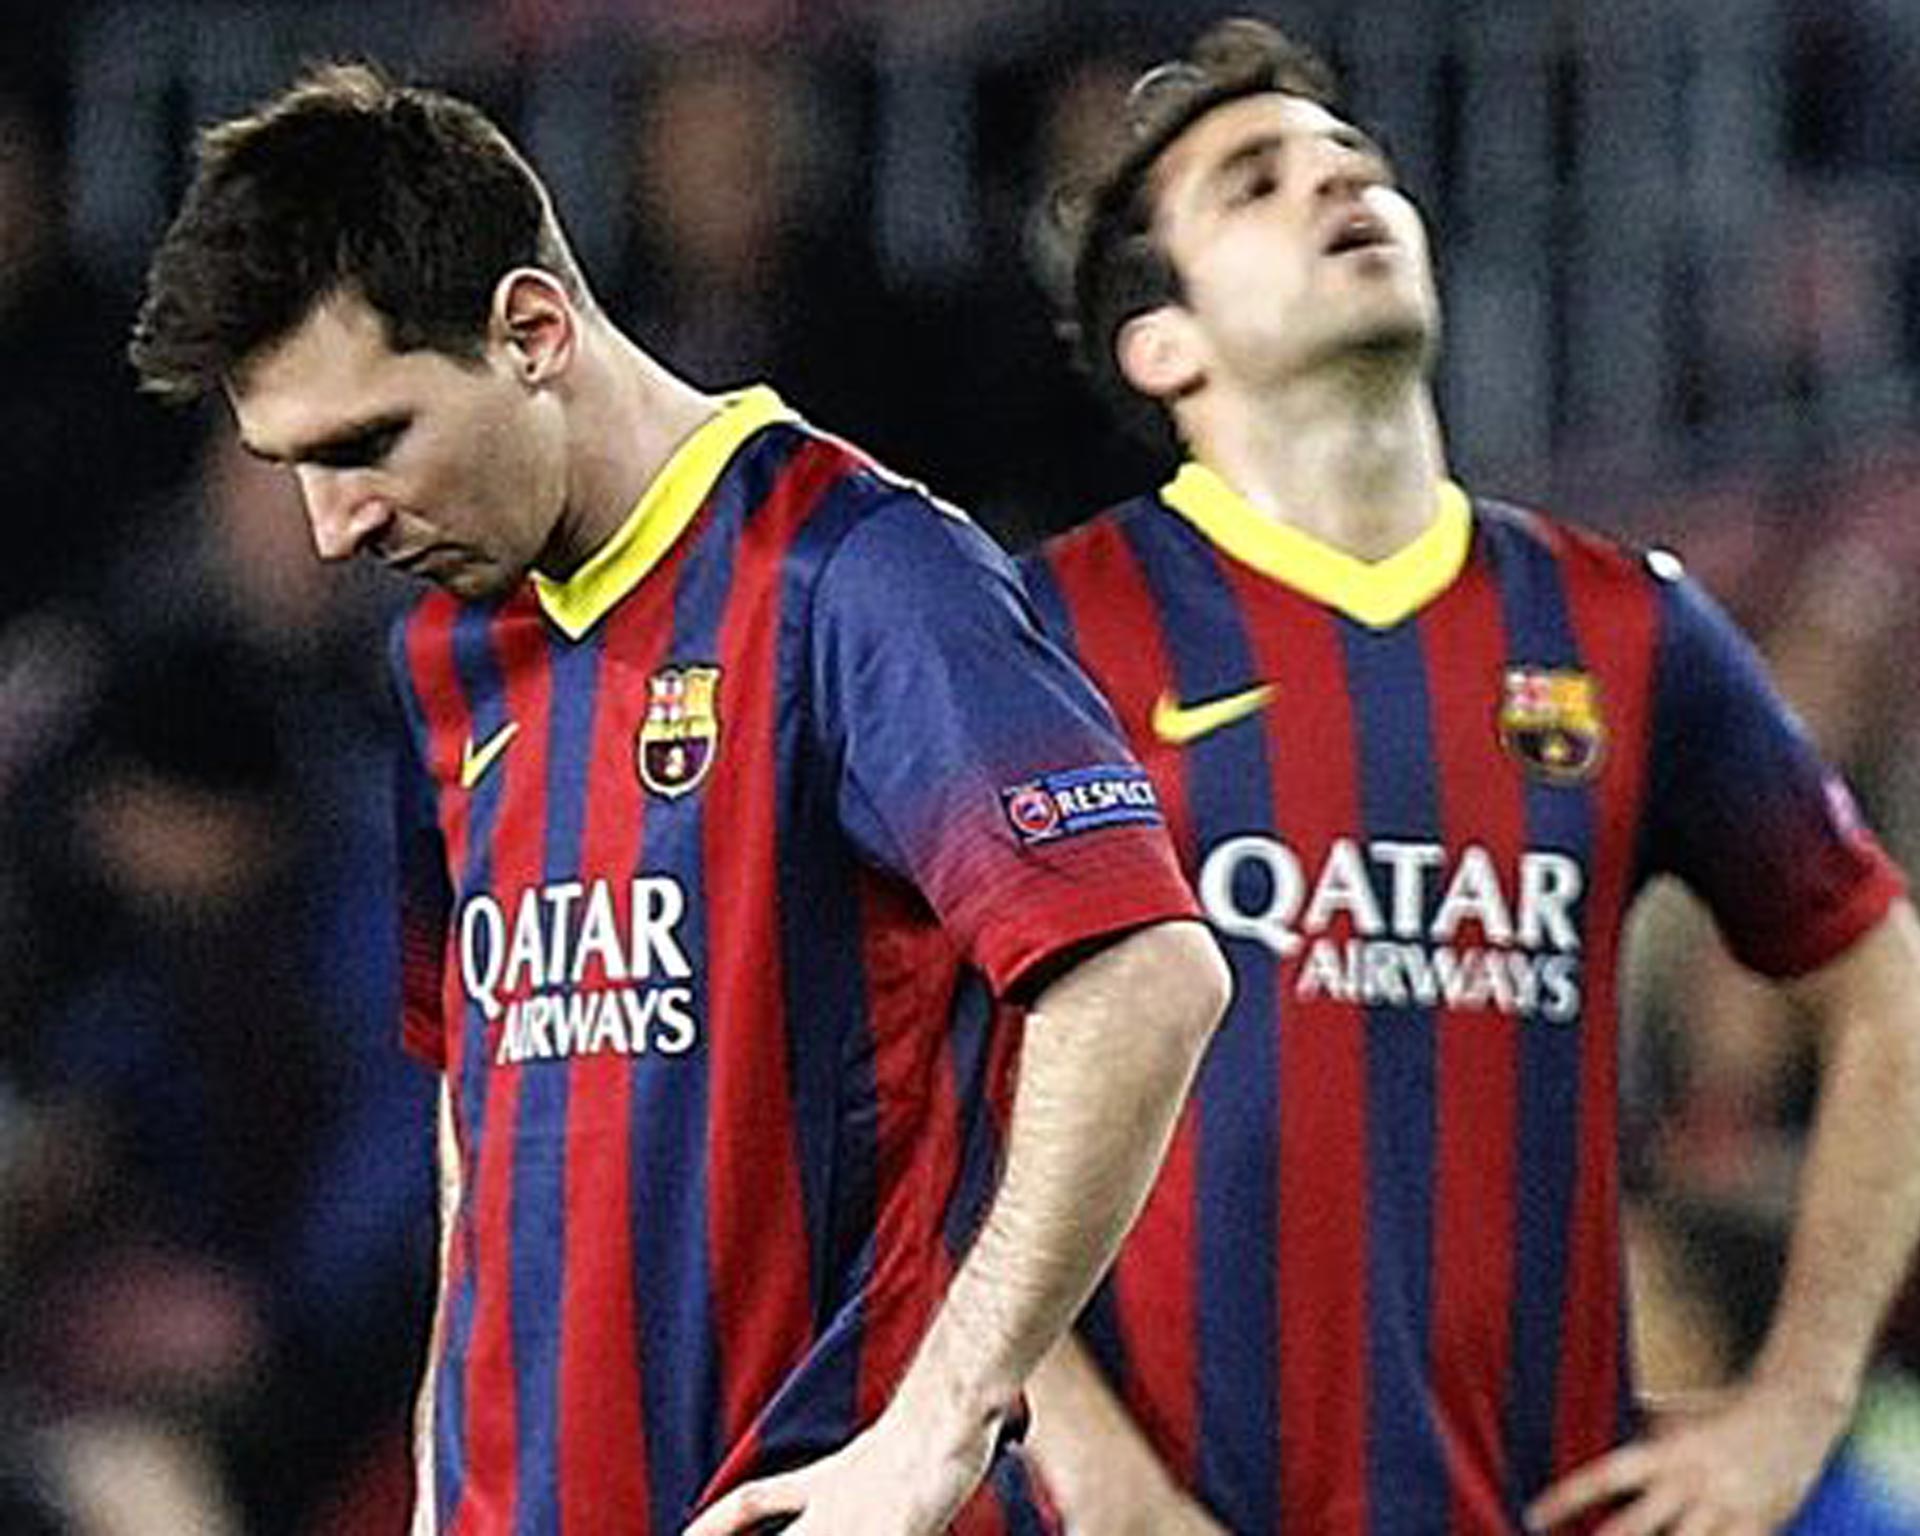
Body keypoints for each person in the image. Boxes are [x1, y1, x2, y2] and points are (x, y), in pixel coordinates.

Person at [129, 63, 1229, 1536]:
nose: (335, 530)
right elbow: (486, 1101)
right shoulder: (452, 657)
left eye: (368, 444)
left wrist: (938, 1427)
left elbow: (1144, 977)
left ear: (531, 331)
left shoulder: (858, 577)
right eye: (293, 469)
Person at [1015, 19, 1920, 1535]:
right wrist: (1087, 1461)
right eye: (1256, 183)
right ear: (1164, 342)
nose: (1342, 191)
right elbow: (919, 1088)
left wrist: (1796, 1403)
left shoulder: (1620, 624)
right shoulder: (1051, 631)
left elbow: (1892, 1001)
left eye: (1356, 166)